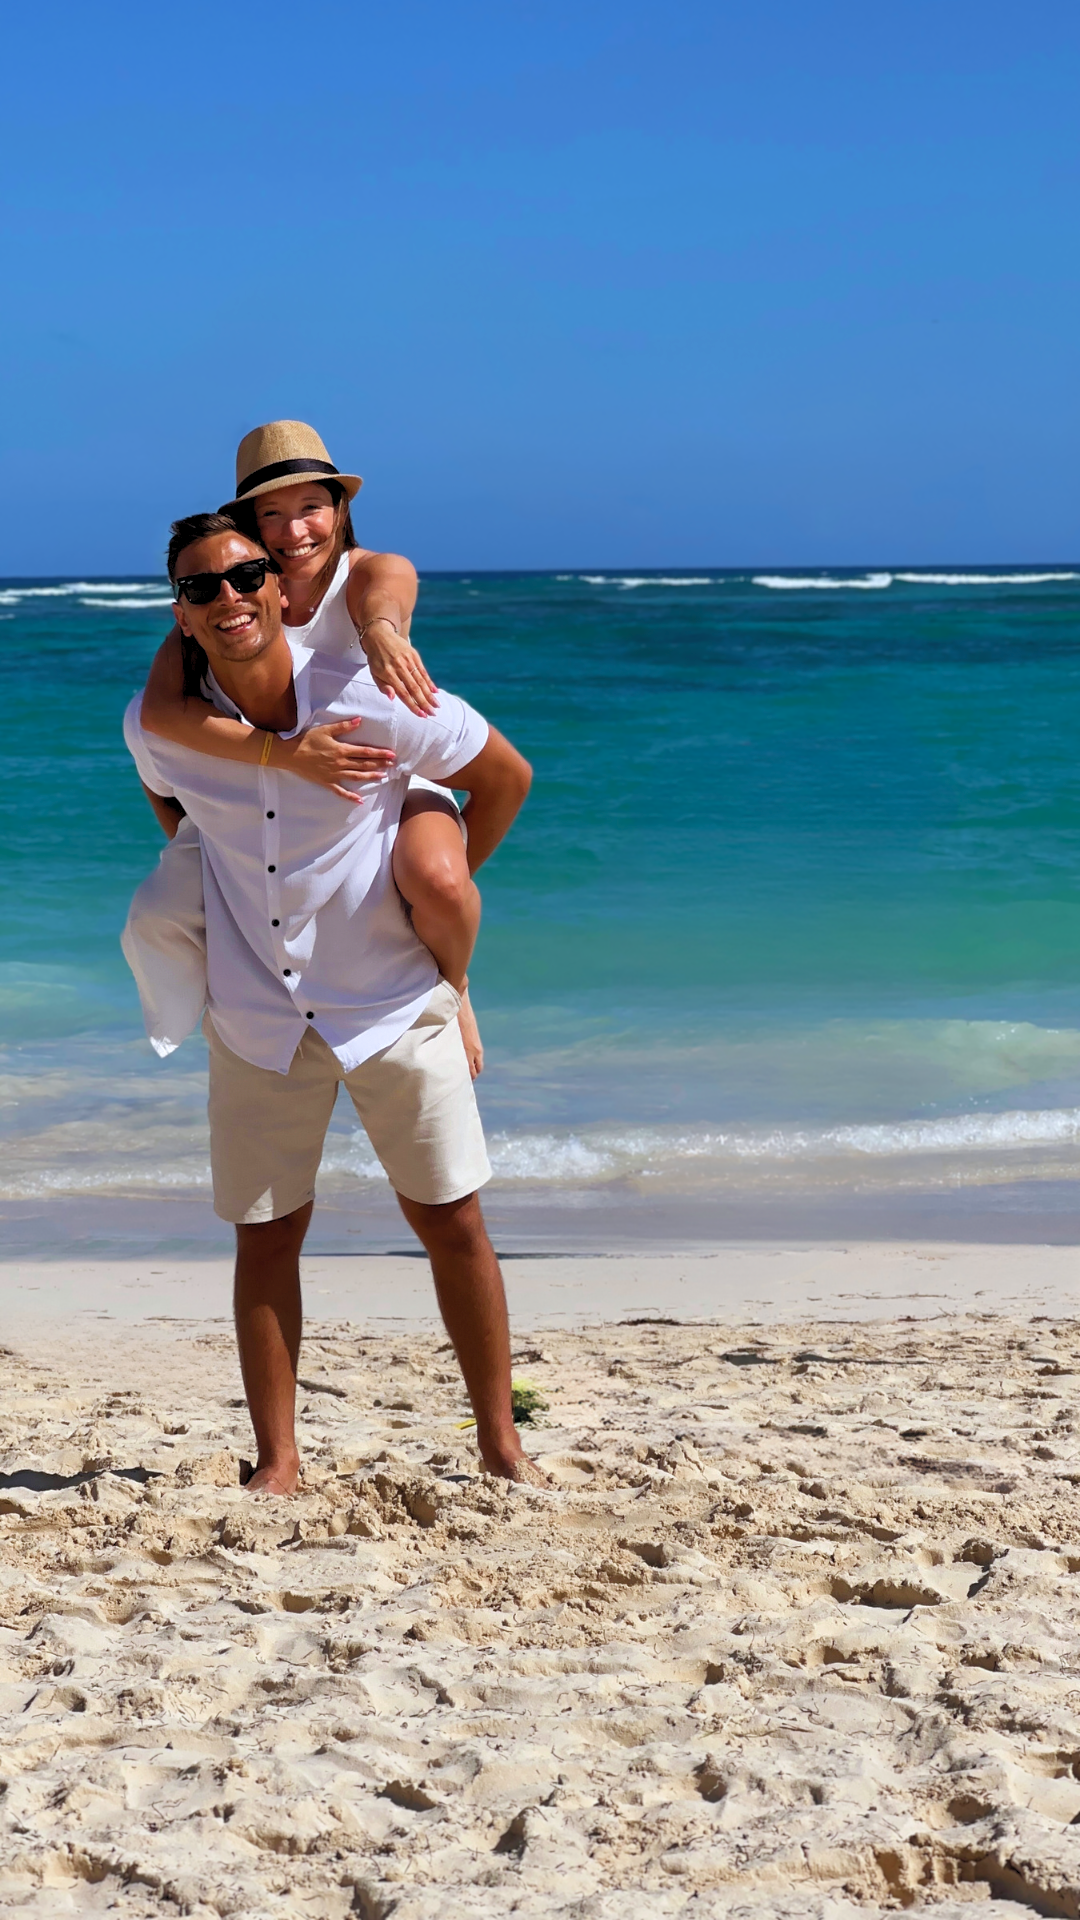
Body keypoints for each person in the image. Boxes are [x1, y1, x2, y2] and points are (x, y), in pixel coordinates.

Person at [122, 510, 543, 1494]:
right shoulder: (162, 726)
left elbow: (506, 777)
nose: (228, 598)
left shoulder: (371, 699)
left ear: (281, 586)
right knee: (266, 1234)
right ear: (180, 614)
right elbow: (168, 799)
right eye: (200, 588)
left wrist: (437, 899)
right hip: (257, 1017)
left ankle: (502, 1445)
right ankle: (278, 1463)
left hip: (391, 1003)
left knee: (452, 1222)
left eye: (245, 577)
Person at [131, 421, 485, 1074]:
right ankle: (222, 1027)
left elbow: (385, 595)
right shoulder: (229, 597)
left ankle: (451, 984)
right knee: (156, 915)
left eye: (311, 507)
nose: (294, 531)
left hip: (379, 765)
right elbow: (159, 717)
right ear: (247, 525)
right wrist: (276, 762)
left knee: (437, 881)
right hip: (266, 777)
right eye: (271, 514)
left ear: (340, 509)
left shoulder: (369, 572)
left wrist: (380, 631)